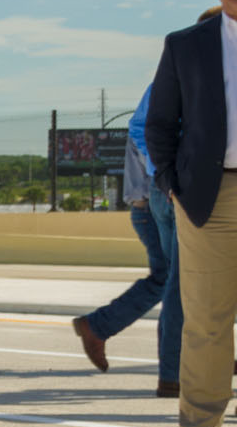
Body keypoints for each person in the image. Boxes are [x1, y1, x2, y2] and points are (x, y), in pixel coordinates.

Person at [145, 0, 237, 427]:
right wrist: (170, 182)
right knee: (206, 316)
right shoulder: (187, 45)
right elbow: (160, 123)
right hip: (210, 195)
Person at [71, 83, 179, 395]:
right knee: (174, 283)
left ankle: (98, 327)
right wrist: (167, 176)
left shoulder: (171, 93)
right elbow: (142, 129)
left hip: (149, 205)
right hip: (155, 205)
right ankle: (176, 367)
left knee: (170, 281)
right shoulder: (166, 98)